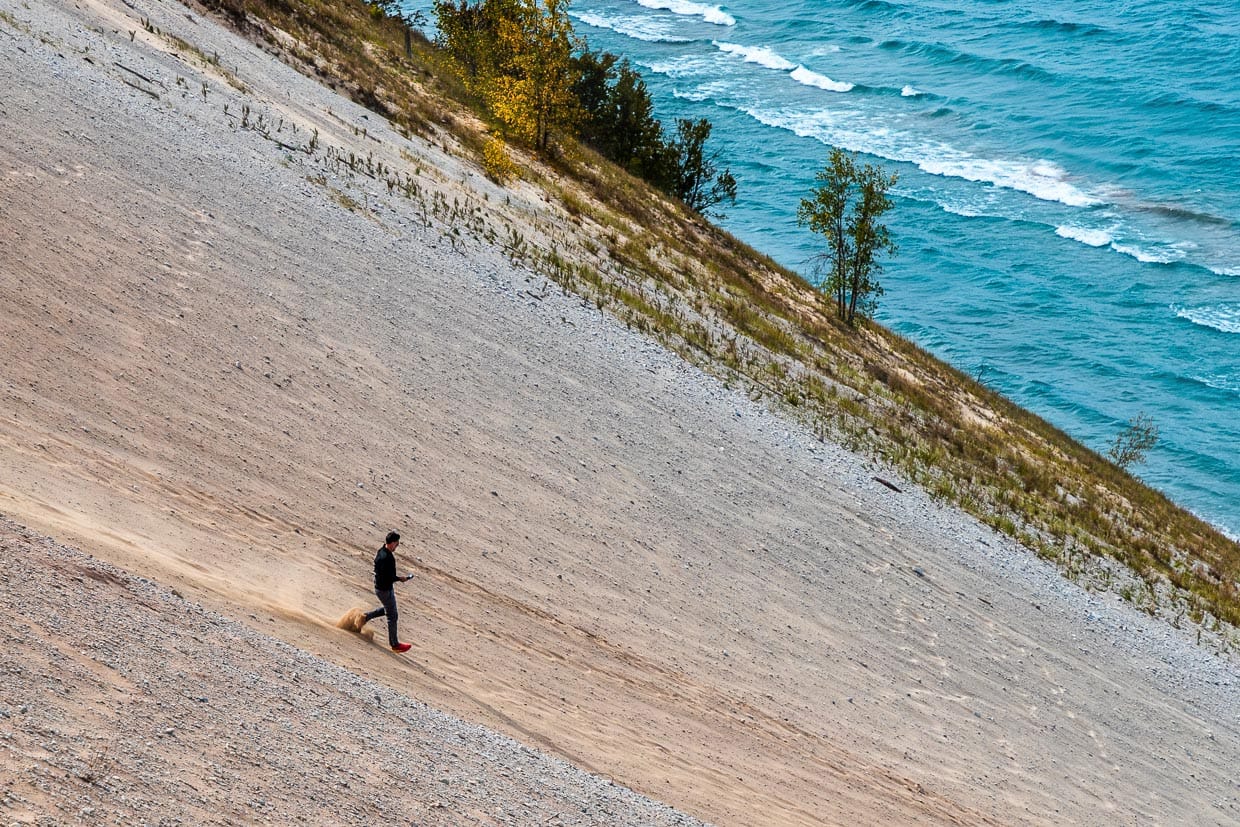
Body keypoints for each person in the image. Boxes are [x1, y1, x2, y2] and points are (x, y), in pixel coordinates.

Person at [362, 531, 413, 652]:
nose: (397, 546)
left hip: (381, 587)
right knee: (392, 615)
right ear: (393, 543)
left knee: (388, 609)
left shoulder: (382, 551)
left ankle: (364, 617)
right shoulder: (387, 558)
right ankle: (394, 644)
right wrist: (400, 579)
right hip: (384, 589)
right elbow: (388, 577)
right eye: (397, 544)